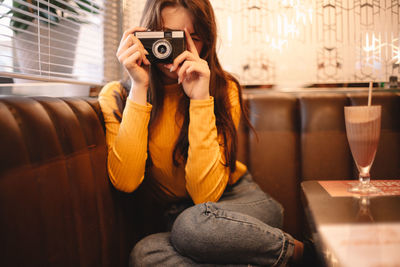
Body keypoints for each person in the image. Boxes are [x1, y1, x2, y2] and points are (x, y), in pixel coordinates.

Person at [99, 0, 309, 266]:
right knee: (144, 255)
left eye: (192, 38)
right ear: (144, 35)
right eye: (167, 36)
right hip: (182, 221)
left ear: (207, 42)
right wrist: (139, 87)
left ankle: (307, 255)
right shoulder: (118, 96)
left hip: (238, 203)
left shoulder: (223, 89)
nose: (174, 50)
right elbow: (126, 180)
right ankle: (255, 257)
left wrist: (200, 98)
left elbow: (204, 197)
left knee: (192, 225)